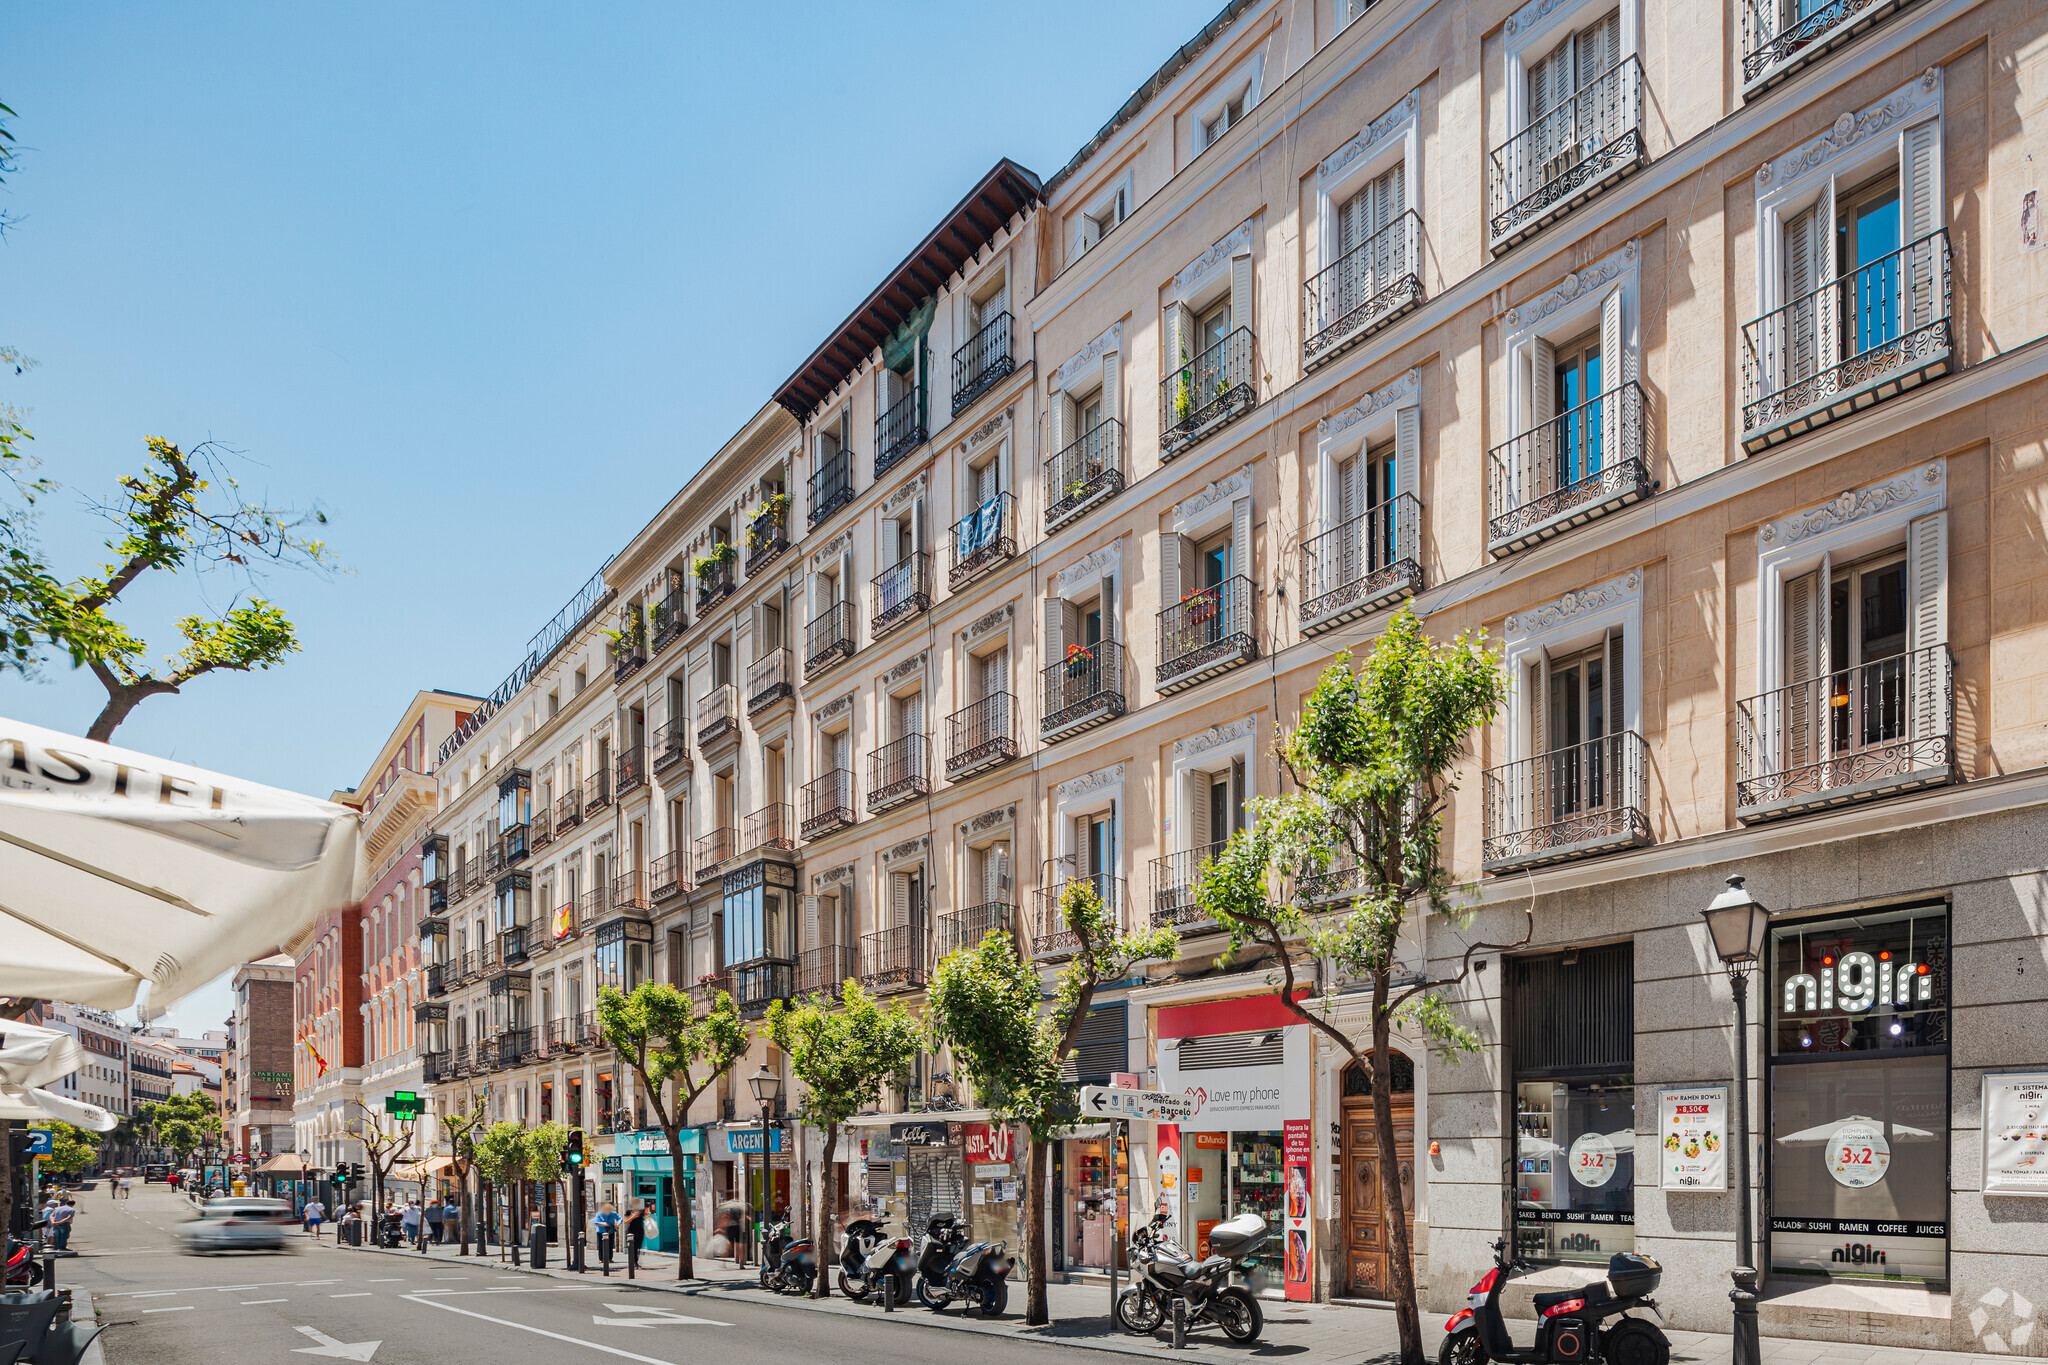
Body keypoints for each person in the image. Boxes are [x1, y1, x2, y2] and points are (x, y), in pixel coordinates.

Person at [594, 1202, 620, 1275]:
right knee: (600, 1245)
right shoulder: (599, 1214)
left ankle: (610, 1258)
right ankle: (601, 1259)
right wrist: (603, 1224)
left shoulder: (613, 1213)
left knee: (610, 1244)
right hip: (601, 1231)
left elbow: (620, 1218)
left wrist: (618, 1223)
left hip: (610, 1231)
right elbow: (595, 1221)